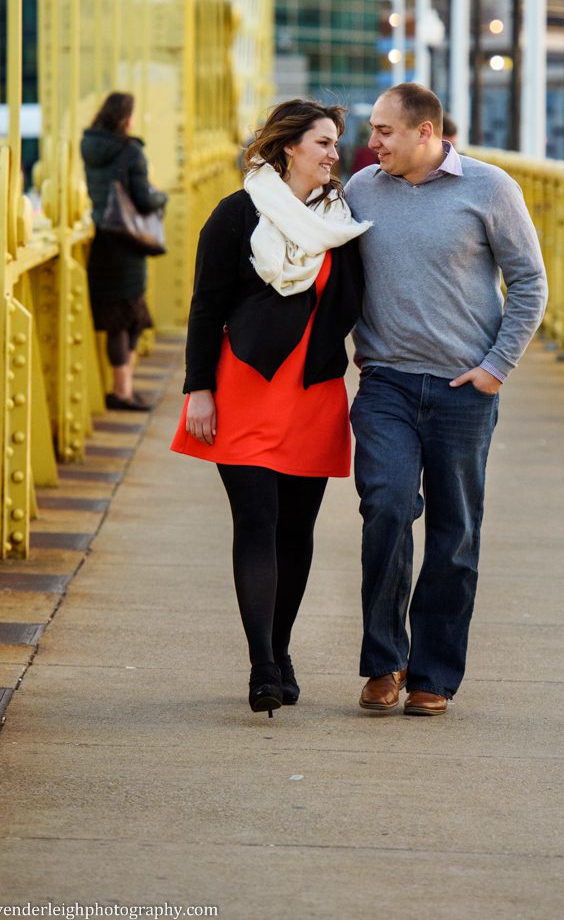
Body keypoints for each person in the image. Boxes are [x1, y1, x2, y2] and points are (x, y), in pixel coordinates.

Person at [345, 83, 547, 716]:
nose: (370, 142)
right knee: (388, 504)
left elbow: (529, 281)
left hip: (465, 391)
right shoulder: (359, 191)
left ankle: (434, 674)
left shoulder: (490, 189)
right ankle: (384, 661)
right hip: (387, 384)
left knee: (455, 534)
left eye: (383, 131)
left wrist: (495, 368)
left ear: (425, 133)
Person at [170, 100, 369, 716]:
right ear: (289, 147)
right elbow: (205, 305)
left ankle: (281, 650)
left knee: (297, 532)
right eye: (324, 143)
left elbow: (357, 303)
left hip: (313, 393)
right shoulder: (237, 213)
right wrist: (198, 387)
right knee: (256, 521)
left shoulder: (343, 221)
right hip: (245, 387)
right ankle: (262, 666)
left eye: (337, 144)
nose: (335, 154)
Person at [82, 92, 168, 412]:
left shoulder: (90, 147)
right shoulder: (131, 151)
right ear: (125, 118)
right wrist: (160, 198)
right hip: (129, 243)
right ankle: (122, 392)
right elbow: (144, 201)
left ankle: (124, 388)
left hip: (104, 239)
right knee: (128, 318)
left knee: (123, 317)